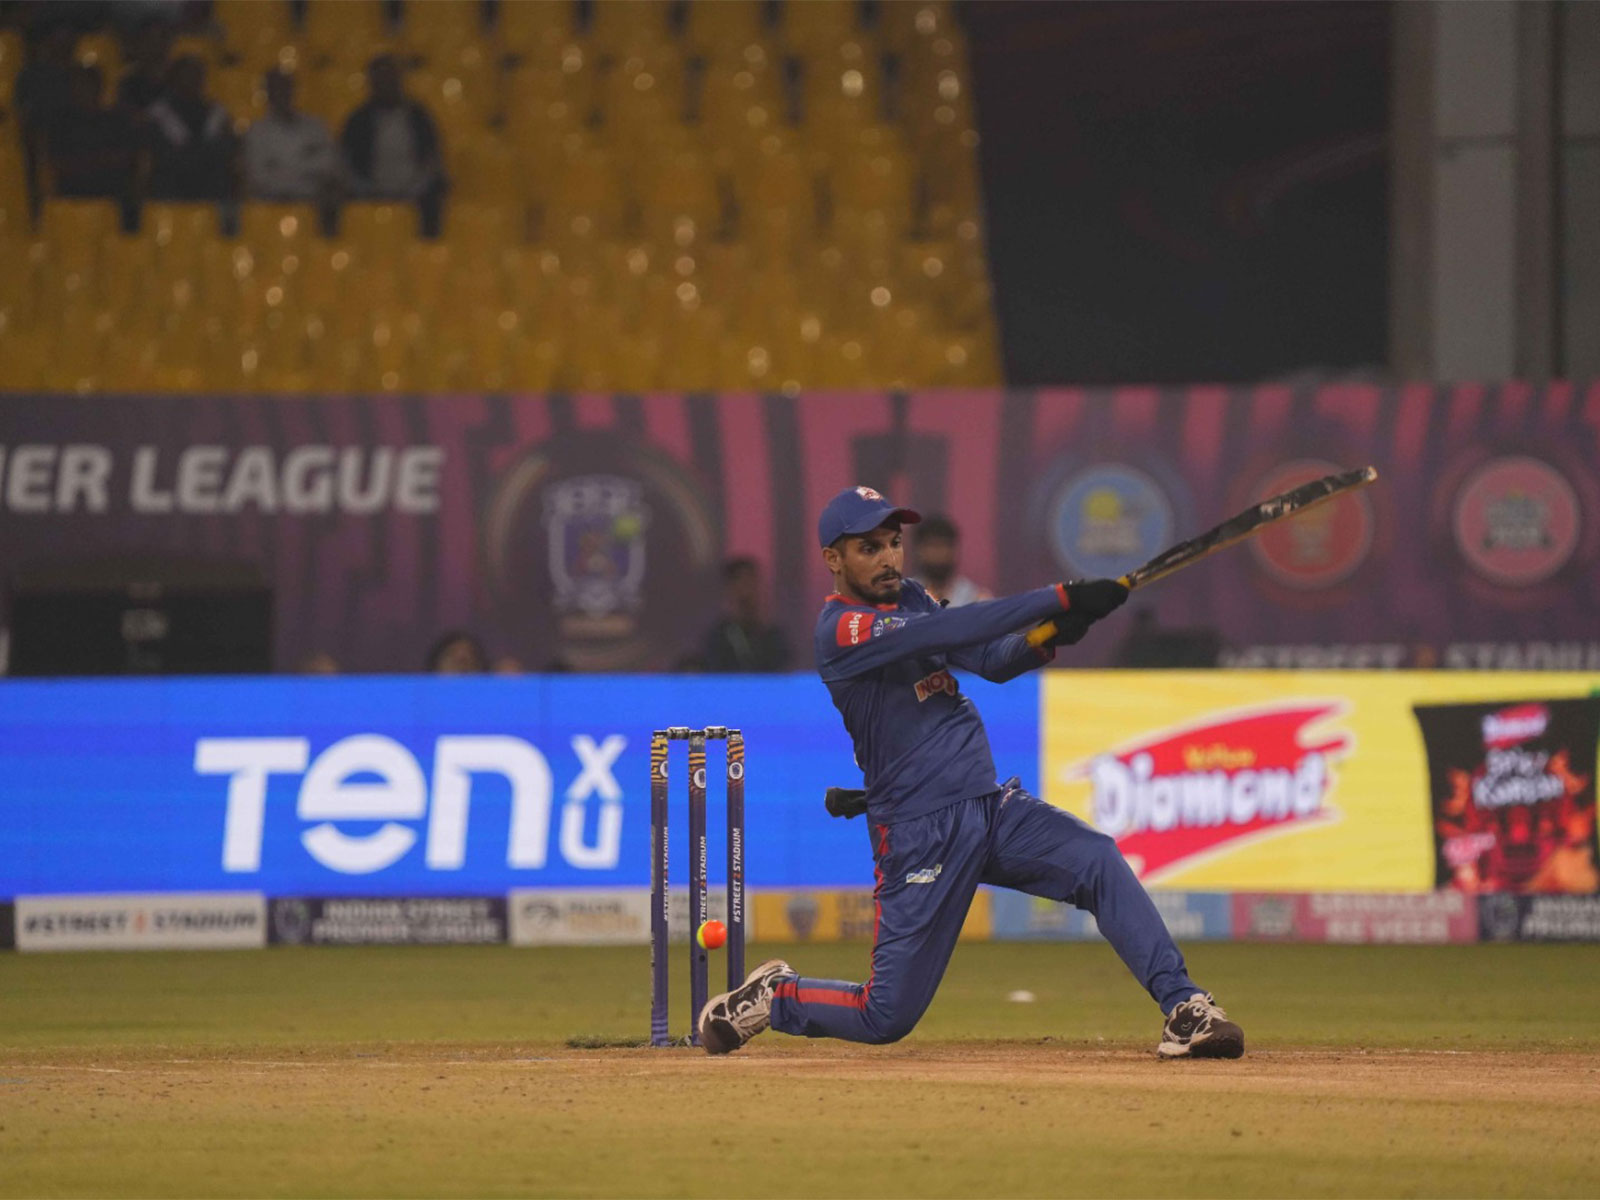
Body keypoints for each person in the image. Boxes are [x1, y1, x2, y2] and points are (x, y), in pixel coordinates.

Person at [697, 485, 1245, 1060]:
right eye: (868, 548)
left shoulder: (910, 596)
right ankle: (775, 996)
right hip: (916, 830)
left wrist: (1056, 632)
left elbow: (993, 659)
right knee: (885, 1016)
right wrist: (1061, 596)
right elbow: (947, 634)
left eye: (892, 543)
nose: (887, 557)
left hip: (990, 808)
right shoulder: (840, 629)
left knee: (1097, 859)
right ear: (833, 559)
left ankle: (1184, 1007)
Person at [339, 54, 445, 235]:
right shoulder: (357, 120)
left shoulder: (419, 116)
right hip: (369, 193)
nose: (386, 84)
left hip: (414, 192)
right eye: (380, 80)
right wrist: (368, 191)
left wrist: (414, 188)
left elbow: (432, 159)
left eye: (390, 78)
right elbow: (345, 163)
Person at [44, 64, 138, 212]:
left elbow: (126, 158)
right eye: (78, 85)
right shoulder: (61, 124)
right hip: (72, 197)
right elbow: (58, 163)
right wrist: (100, 161)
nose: (84, 90)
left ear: (99, 87)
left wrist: (88, 162)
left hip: (113, 198)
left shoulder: (116, 120)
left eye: (88, 84)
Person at [142, 55, 235, 201]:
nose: (192, 80)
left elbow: (225, 150)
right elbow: (161, 154)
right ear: (173, 79)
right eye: (186, 75)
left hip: (210, 186)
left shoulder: (216, 112)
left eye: (196, 75)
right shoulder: (158, 113)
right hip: (172, 186)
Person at [241, 68, 339, 205]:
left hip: (311, 204)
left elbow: (328, 165)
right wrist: (305, 168)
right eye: (276, 89)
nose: (281, 93)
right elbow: (258, 177)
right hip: (271, 205)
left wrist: (280, 168)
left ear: (293, 91)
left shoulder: (316, 127)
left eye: (285, 88)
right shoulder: (256, 132)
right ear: (268, 93)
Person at [697, 557, 792, 672]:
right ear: (729, 590)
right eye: (741, 582)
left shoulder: (775, 637)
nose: (747, 591)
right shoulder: (716, 639)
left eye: (752, 582)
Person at [910, 513, 992, 607]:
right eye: (933, 546)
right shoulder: (905, 598)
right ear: (919, 551)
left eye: (944, 546)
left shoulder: (975, 599)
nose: (939, 554)